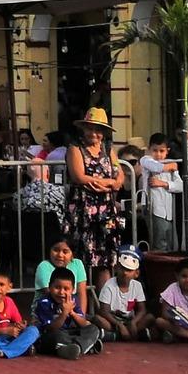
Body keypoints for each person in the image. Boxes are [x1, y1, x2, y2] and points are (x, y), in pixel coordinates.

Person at [66, 109, 127, 273]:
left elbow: (119, 172)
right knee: (80, 257)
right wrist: (108, 183)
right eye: (90, 128)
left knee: (105, 259)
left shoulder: (108, 148)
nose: (93, 133)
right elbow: (79, 176)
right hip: (83, 208)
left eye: (98, 130)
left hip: (106, 209)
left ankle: (103, 290)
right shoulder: (75, 148)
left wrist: (116, 182)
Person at [32, 266, 103, 358]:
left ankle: (75, 348)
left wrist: (72, 313)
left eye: (66, 289)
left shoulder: (74, 300)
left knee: (93, 329)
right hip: (54, 334)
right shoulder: (44, 302)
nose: (61, 292)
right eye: (57, 287)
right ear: (49, 286)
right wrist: (64, 313)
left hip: (70, 332)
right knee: (55, 336)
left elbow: (84, 323)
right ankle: (85, 346)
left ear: (72, 290)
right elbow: (50, 328)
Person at [95, 249, 155, 341]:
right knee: (98, 319)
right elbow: (104, 311)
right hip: (113, 321)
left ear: (136, 273)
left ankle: (115, 336)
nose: (125, 273)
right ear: (116, 268)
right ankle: (133, 335)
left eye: (129, 270)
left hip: (130, 321)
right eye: (122, 268)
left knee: (150, 318)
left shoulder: (137, 286)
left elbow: (142, 310)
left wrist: (134, 322)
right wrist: (119, 325)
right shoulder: (109, 285)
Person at [137, 132, 178, 248]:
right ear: (149, 149)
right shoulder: (146, 160)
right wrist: (170, 166)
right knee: (159, 242)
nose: (158, 154)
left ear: (167, 151)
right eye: (155, 150)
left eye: (162, 151)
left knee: (170, 242)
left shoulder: (169, 163)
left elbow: (180, 185)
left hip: (168, 209)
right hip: (152, 207)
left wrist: (164, 184)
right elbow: (155, 167)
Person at [33, 237, 90, 316]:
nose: (60, 255)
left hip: (71, 311)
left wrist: (81, 316)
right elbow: (53, 295)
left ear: (72, 254)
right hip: (46, 312)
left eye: (65, 252)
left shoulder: (77, 264)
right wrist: (65, 313)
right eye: (56, 250)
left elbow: (82, 294)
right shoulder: (44, 266)